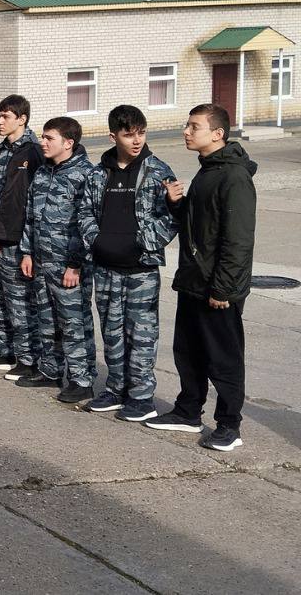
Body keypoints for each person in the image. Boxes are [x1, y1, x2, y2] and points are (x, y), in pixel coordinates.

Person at [146, 104, 256, 452]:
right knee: (188, 352)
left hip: (217, 287)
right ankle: (187, 411)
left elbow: (236, 240)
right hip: (194, 281)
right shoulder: (209, 170)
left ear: (218, 133)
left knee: (223, 358)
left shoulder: (233, 176)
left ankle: (229, 425)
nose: (186, 131)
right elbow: (201, 229)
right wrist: (177, 204)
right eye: (187, 125)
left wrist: (223, 287)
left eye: (194, 126)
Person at [78, 105, 177, 422]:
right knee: (112, 332)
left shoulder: (158, 171)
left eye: (141, 133)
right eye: (128, 134)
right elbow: (84, 214)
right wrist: (97, 241)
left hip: (141, 270)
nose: (136, 141)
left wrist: (142, 242)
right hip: (106, 268)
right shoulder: (98, 173)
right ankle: (116, 389)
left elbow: (172, 219)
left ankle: (142, 397)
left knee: (141, 335)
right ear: (113, 136)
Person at [18, 117, 95, 402]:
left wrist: (75, 263)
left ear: (69, 143)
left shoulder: (86, 174)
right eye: (42, 137)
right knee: (47, 320)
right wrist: (27, 252)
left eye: (49, 138)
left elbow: (88, 224)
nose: (43, 142)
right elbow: (31, 215)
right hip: (42, 260)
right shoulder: (42, 173)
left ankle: (81, 379)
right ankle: (51, 371)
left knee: (74, 324)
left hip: (68, 265)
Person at [0, 95, 42, 373]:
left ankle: (27, 359)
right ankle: (3, 351)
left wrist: (21, 241)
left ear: (22, 119)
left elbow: (31, 202)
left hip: (15, 239)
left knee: (20, 303)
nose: (0, 122)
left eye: (6, 117)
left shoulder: (34, 152)